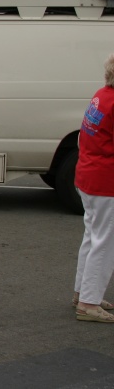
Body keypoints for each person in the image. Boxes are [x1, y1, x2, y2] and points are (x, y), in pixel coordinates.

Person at [73, 52, 114, 323]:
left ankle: (83, 293)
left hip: (88, 174)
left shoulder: (102, 95)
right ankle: (88, 302)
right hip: (106, 180)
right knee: (105, 242)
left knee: (92, 237)